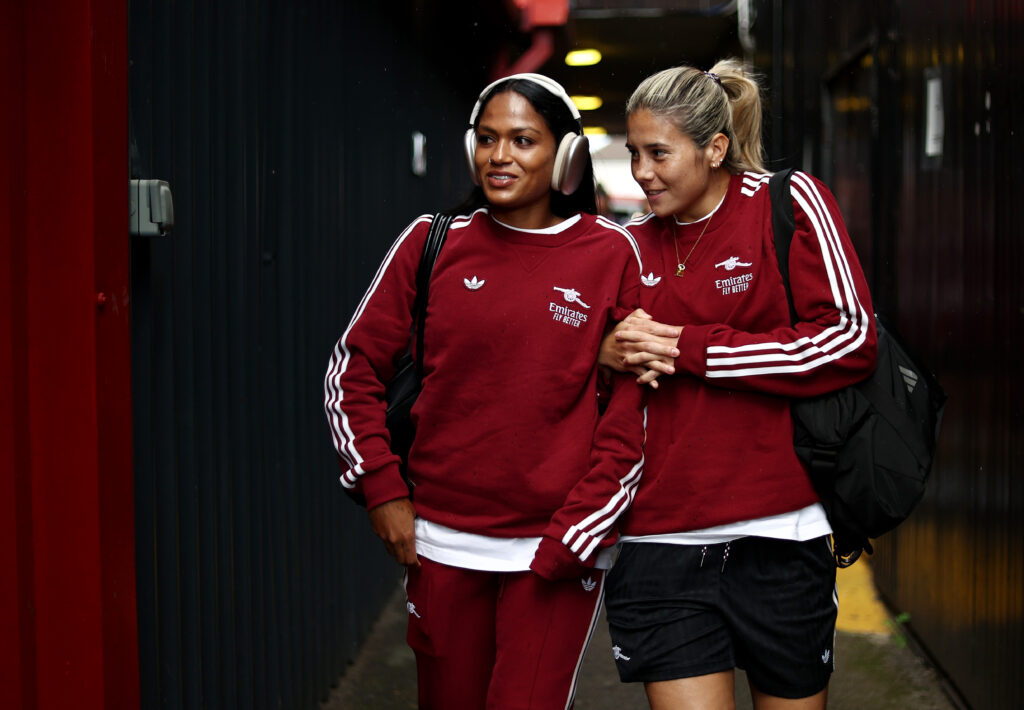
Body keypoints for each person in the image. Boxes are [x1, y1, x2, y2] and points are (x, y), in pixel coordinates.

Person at [323, 73, 646, 710]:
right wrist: (382, 491)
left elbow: (634, 413)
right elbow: (351, 370)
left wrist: (576, 536)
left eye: (523, 140)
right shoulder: (431, 242)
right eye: (489, 139)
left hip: (556, 546)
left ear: (565, 157)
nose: (500, 156)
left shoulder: (612, 253)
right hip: (441, 543)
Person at [598, 59, 878, 710]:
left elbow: (848, 339)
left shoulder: (787, 204)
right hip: (658, 541)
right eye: (634, 153)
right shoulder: (625, 247)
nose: (641, 172)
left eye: (658, 153)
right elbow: (579, 389)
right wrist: (603, 358)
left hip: (781, 535)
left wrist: (691, 346)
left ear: (714, 147)